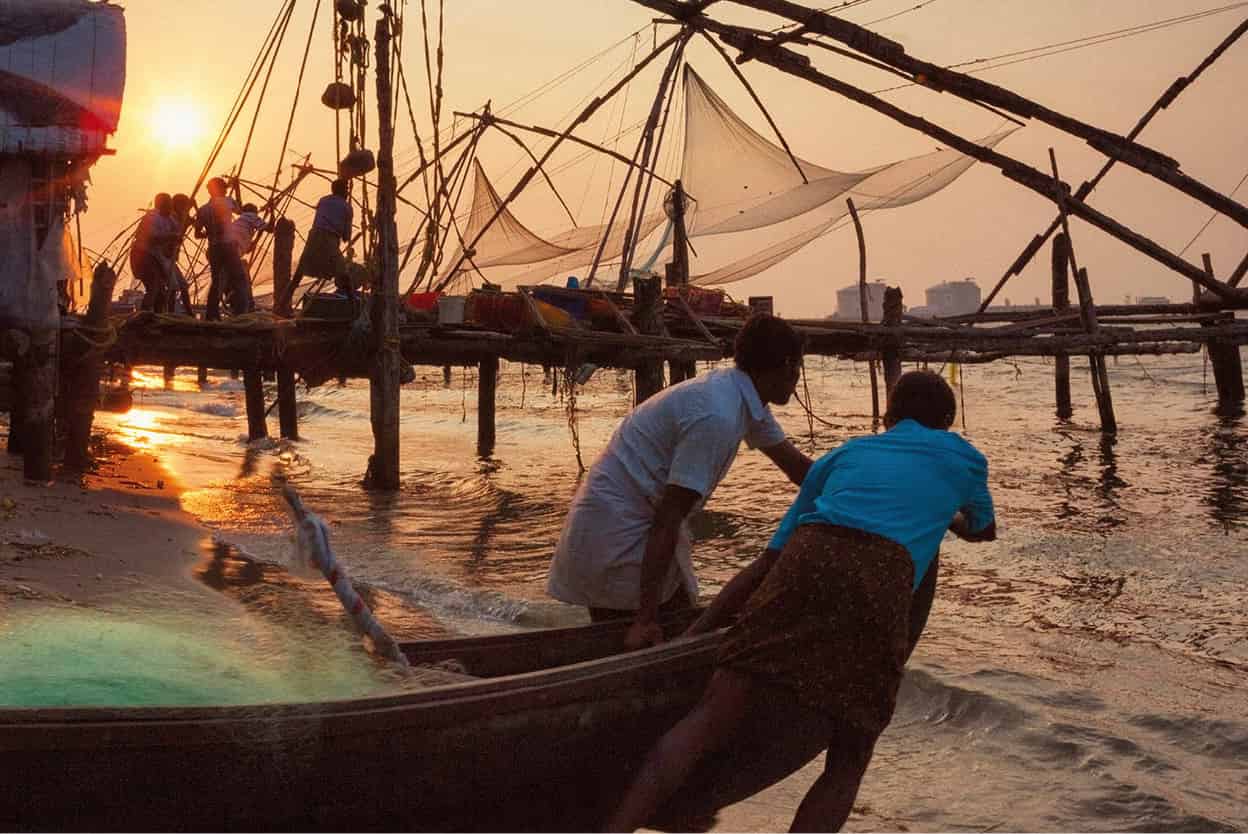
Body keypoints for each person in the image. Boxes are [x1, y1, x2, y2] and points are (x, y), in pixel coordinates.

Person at [605, 369, 998, 833]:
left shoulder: (844, 454)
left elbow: (767, 563)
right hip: (882, 575)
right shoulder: (965, 458)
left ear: (887, 417)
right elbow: (982, 529)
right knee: (849, 757)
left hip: (809, 553)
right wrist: (942, 513)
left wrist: (695, 633)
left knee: (708, 717)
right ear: (948, 421)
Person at [546, 313, 813, 650]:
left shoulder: (739, 397)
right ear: (787, 365)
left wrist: (859, 488)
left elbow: (800, 470)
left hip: (620, 530)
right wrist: (645, 618)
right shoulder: (717, 414)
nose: (797, 377)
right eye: (798, 367)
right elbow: (667, 520)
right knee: (653, 647)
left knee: (680, 631)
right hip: (620, 538)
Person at [276, 178, 353, 315]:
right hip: (330, 239)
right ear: (343, 191)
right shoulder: (346, 207)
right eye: (346, 189)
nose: (347, 192)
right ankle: (354, 308)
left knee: (298, 274)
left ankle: (280, 307)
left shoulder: (323, 200)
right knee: (343, 274)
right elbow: (346, 237)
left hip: (314, 236)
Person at [193, 177, 249, 319]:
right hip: (228, 246)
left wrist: (210, 232)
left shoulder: (203, 210)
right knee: (239, 278)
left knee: (216, 281)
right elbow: (241, 211)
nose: (226, 190)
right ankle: (241, 313)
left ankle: (212, 314)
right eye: (224, 188)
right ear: (220, 189)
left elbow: (197, 234)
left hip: (214, 248)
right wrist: (236, 190)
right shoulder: (228, 202)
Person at [129, 193, 179, 312]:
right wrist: (170, 237)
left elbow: (177, 232)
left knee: (161, 290)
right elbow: (149, 238)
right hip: (142, 255)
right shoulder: (151, 217)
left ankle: (157, 315)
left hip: (156, 257)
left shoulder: (170, 219)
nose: (170, 206)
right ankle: (144, 314)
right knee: (153, 284)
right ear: (161, 204)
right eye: (167, 204)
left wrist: (175, 238)